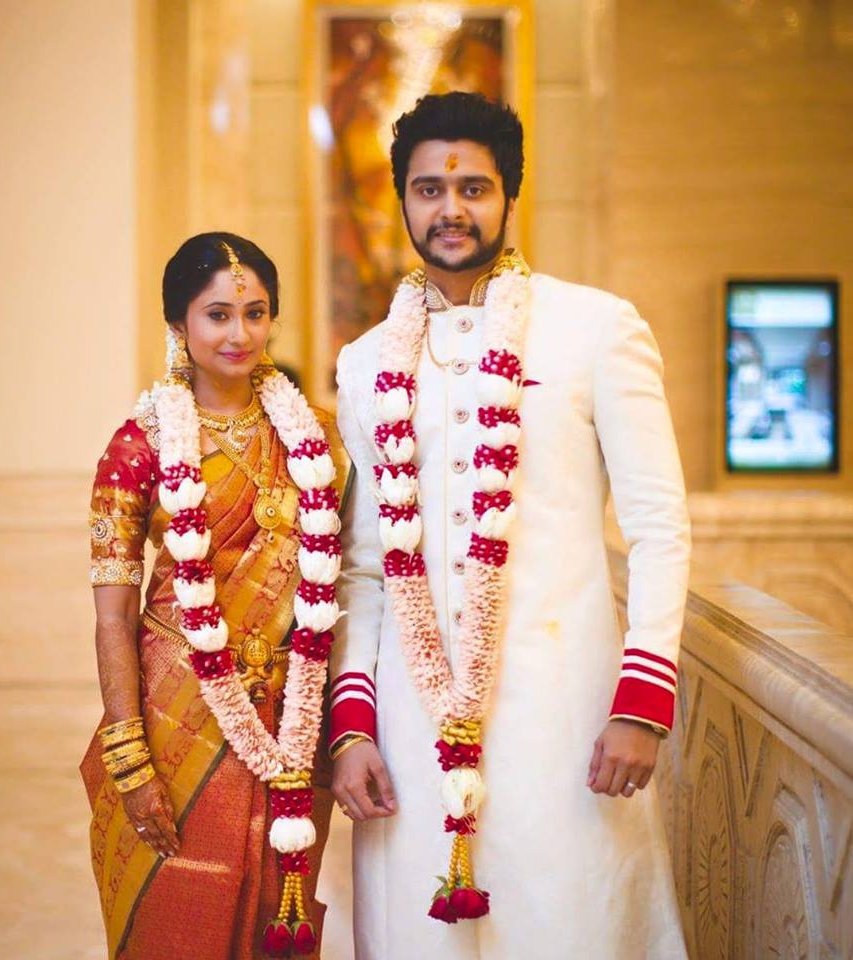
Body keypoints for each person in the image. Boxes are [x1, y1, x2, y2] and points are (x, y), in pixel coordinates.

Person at [329, 92, 690, 958]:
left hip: (565, 718)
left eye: (473, 187)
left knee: (573, 924)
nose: (450, 208)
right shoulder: (365, 362)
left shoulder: (597, 328)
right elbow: (365, 565)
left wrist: (640, 701)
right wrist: (352, 727)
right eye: (427, 189)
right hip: (413, 735)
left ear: (509, 196)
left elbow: (659, 526)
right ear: (402, 201)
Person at [80, 232, 350, 960]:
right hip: (180, 719)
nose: (240, 333)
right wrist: (128, 754)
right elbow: (112, 613)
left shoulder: (318, 441)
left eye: (256, 313)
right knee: (177, 921)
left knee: (277, 917)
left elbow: (350, 581)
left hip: (294, 714)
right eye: (217, 315)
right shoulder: (137, 446)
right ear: (179, 326)